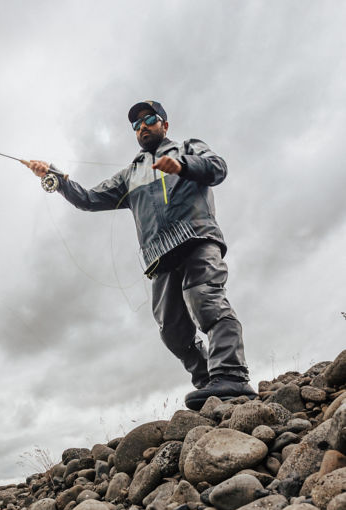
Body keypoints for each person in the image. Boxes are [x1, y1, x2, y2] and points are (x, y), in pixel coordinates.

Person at [24, 100, 257, 411]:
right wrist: (52, 175)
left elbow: (218, 168)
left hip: (198, 238)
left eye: (149, 119)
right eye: (136, 124)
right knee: (172, 330)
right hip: (159, 255)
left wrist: (184, 166)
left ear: (165, 124)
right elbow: (89, 199)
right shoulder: (129, 175)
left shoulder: (188, 147)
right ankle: (209, 384)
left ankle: (232, 375)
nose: (142, 126)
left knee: (207, 300)